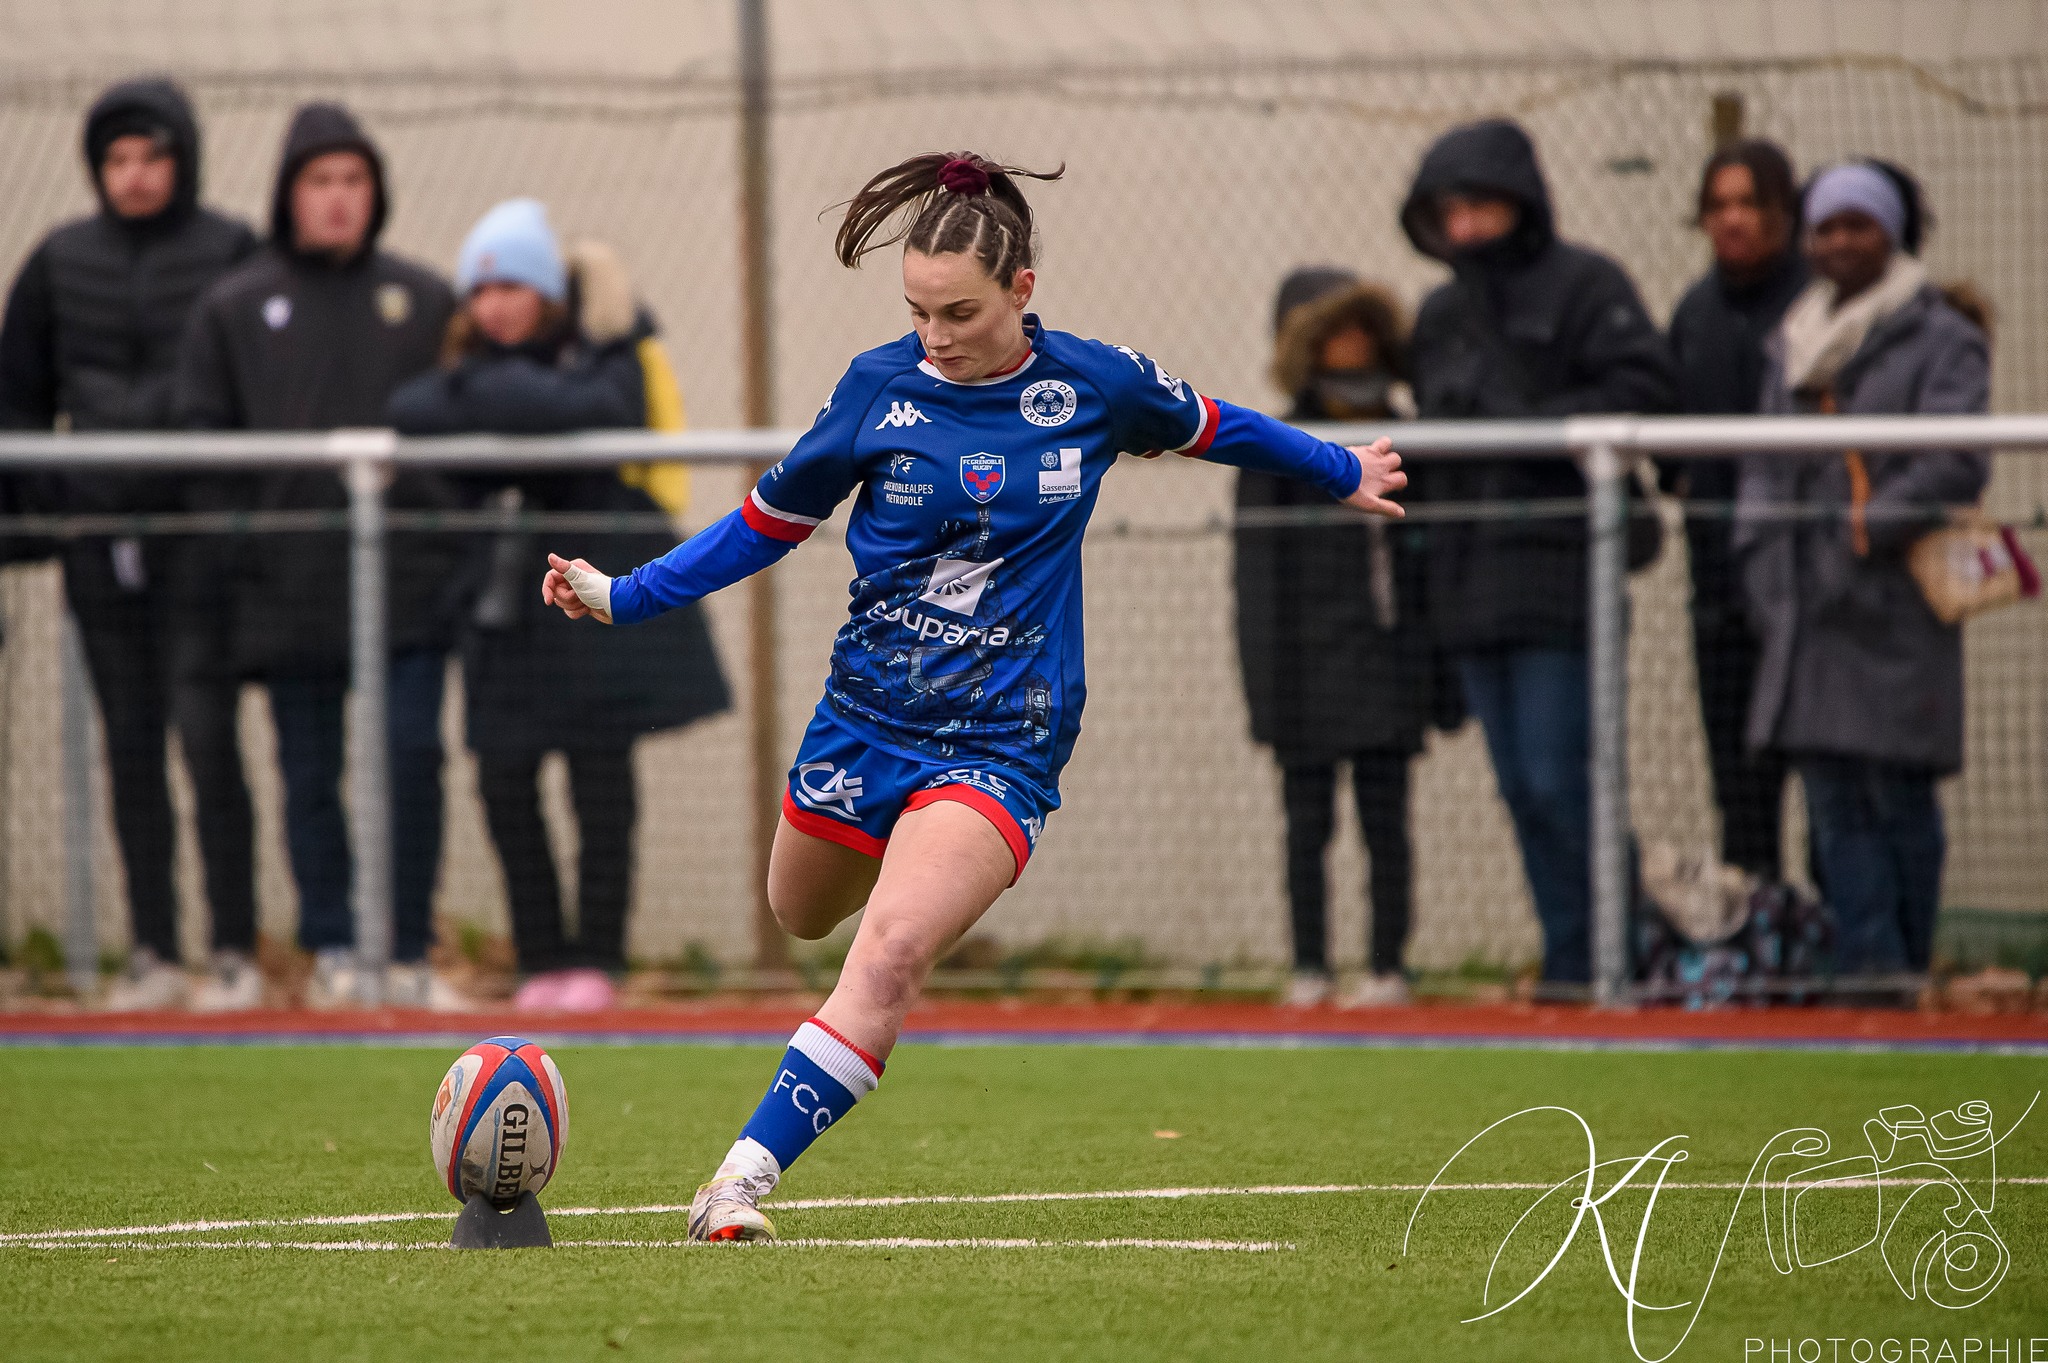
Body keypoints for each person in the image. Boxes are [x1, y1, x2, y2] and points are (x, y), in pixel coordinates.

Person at [540, 151, 1406, 1240]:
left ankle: (737, 1183)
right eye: (917, 312)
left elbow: (1217, 425)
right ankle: (886, 858)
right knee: (799, 911)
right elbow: (766, 522)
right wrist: (625, 595)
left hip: (1003, 740)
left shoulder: (1096, 385)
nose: (935, 336)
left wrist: (1340, 468)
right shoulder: (875, 389)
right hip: (865, 719)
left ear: (1021, 291)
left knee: (892, 950)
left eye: (958, 312)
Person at [388, 199, 729, 1008]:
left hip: (590, 602)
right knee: (504, 780)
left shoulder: (606, 346)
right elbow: (410, 413)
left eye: (513, 286)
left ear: (546, 291)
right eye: (481, 290)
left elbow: (605, 410)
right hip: (500, 610)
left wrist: (487, 399)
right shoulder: (465, 368)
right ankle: (540, 960)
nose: (495, 306)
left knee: (600, 779)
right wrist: (519, 398)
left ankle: (598, 961)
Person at [176, 102, 467, 1008]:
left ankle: (409, 954)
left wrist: (439, 535)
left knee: (413, 757)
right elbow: (202, 446)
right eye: (320, 180)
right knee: (310, 775)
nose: (338, 197)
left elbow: (465, 430)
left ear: (375, 191)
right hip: (288, 592)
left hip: (409, 589)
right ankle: (334, 947)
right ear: (288, 193)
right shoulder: (234, 306)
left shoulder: (424, 300)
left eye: (353, 179)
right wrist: (247, 553)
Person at [0, 78, 261, 1011]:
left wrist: (227, 507)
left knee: (209, 741)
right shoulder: (58, 261)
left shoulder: (231, 251)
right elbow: (18, 396)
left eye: (153, 156)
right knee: (131, 748)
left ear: (182, 160)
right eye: (118, 159)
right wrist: (54, 505)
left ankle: (233, 949)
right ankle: (152, 950)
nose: (137, 175)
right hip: (98, 545)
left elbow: (256, 388)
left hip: (197, 545)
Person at [1398, 117, 1677, 988]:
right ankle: (1571, 962)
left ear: (1521, 200)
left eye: (1479, 204)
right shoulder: (1440, 315)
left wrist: (1527, 424)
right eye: (1450, 209)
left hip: (1562, 573)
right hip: (1469, 583)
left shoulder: (1589, 285)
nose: (1465, 225)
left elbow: (1644, 388)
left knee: (1564, 780)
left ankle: (1619, 955)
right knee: (1521, 787)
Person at [1737, 161, 1989, 977]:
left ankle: (1901, 967)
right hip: (1805, 613)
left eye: (1859, 224)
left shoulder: (1941, 337)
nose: (1840, 241)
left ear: (1892, 232)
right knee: (1833, 805)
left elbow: (1958, 457)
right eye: (1826, 226)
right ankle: (1868, 973)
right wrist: (1764, 560)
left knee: (1898, 797)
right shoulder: (1793, 339)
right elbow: (1762, 465)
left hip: (1892, 608)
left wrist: (1868, 527)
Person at [1234, 267, 1431, 1008]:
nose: (1353, 344)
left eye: (1362, 329)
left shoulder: (1406, 435)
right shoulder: (1276, 445)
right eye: (1334, 331)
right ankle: (1310, 967)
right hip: (1304, 676)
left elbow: (1427, 567)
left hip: (1389, 668)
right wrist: (1266, 696)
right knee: (1306, 827)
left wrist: (1436, 681)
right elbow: (1255, 584)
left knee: (1387, 825)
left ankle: (1387, 968)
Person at [1666, 139, 1807, 885]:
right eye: (1718, 205)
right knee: (1740, 792)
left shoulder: (1818, 306)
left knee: (1830, 787)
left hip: (1812, 592)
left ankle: (1844, 942)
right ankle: (1761, 936)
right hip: (1720, 590)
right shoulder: (1694, 314)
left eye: (1750, 203)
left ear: (1784, 211)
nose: (1733, 220)